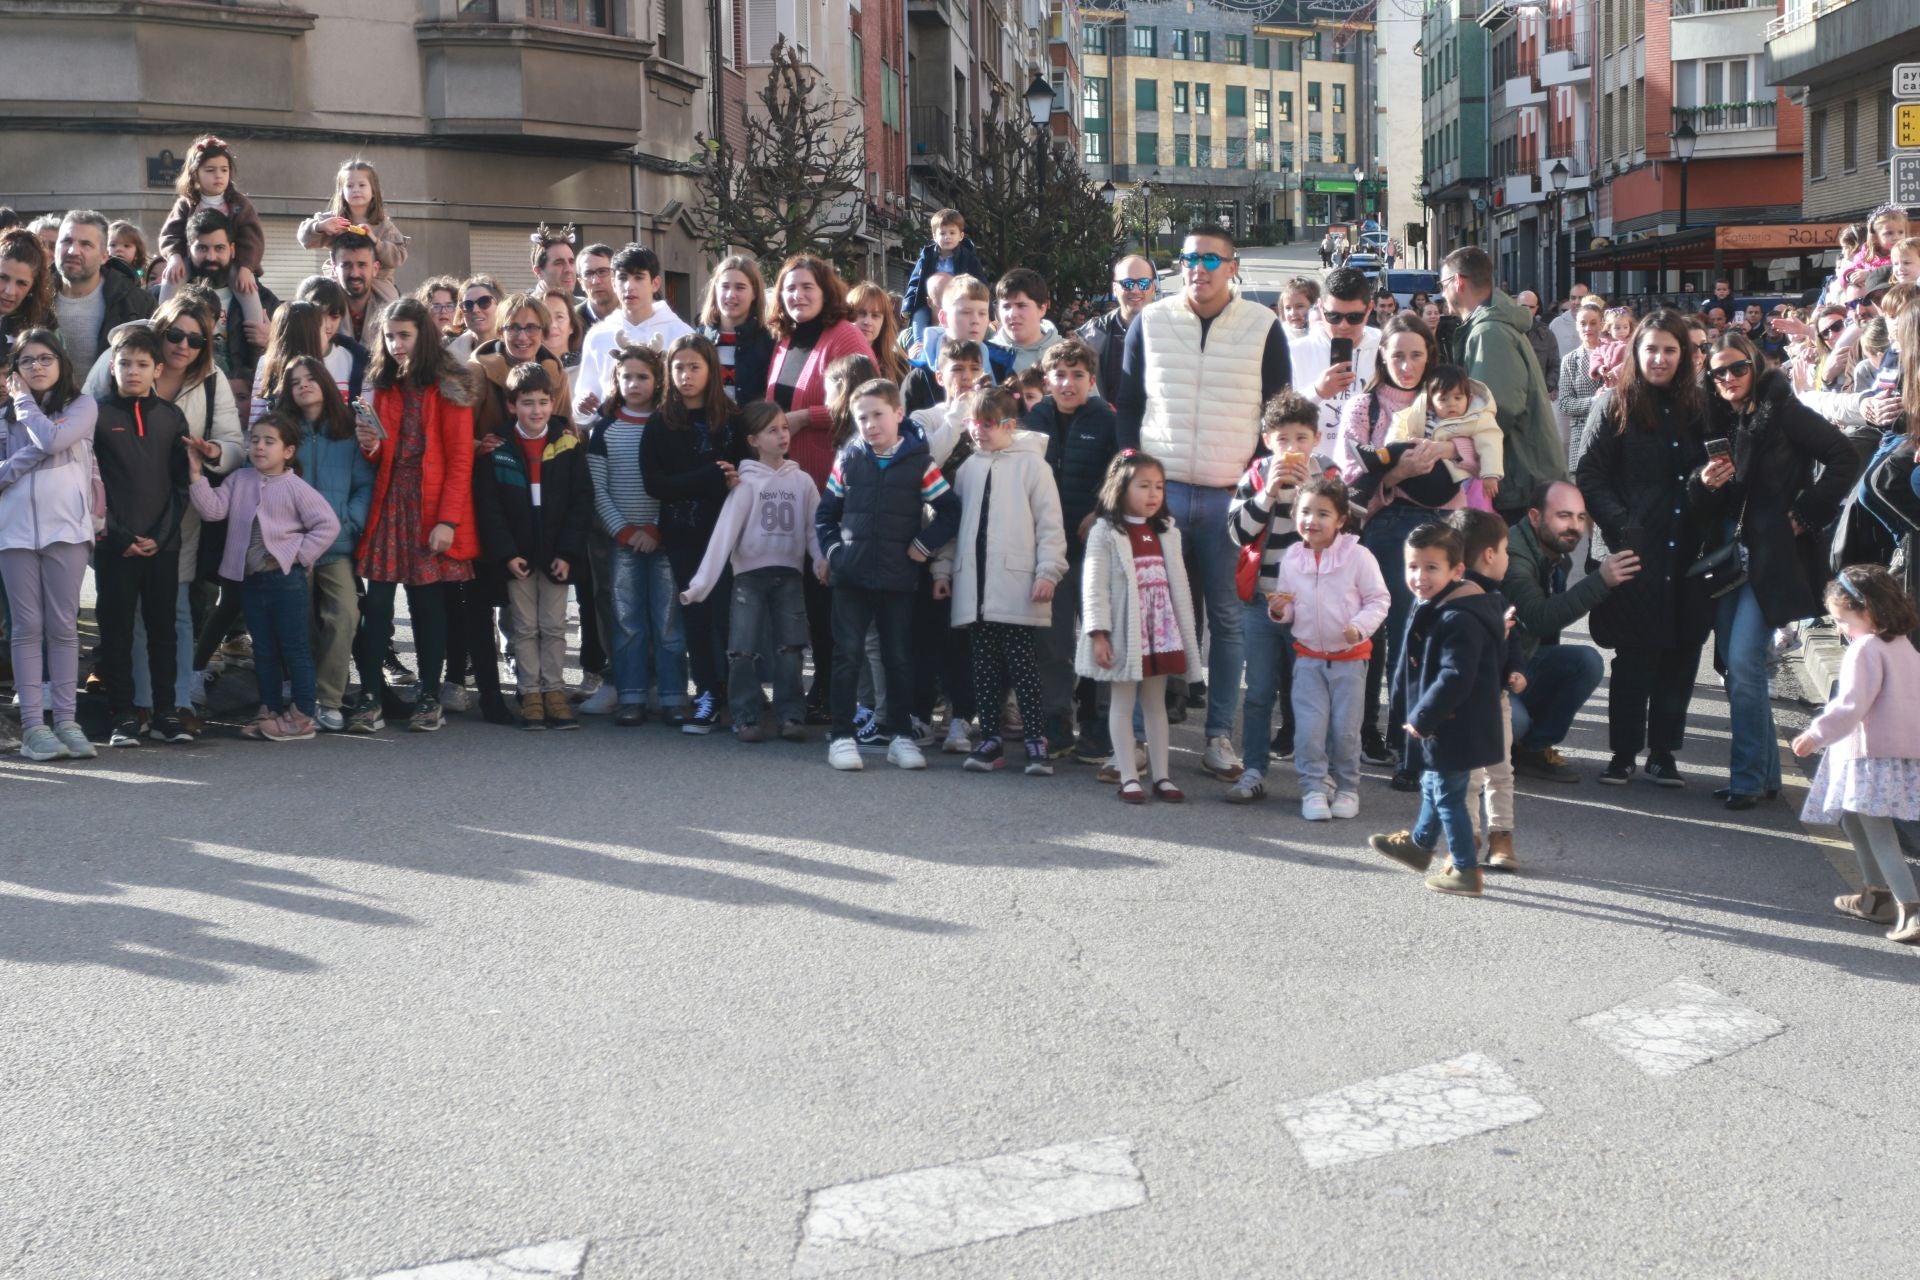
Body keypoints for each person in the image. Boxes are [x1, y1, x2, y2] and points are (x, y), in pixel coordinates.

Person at [1116, 225, 1293, 782]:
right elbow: (1127, 404)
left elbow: (1276, 412)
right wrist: (1129, 480)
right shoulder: (1151, 321)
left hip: (1228, 497)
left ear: (1232, 266)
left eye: (1211, 259)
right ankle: (1142, 740)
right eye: (1190, 258)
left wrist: (1258, 484)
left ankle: (1219, 736)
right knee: (1151, 618)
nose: (1199, 268)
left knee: (1227, 617)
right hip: (1159, 495)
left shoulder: (1264, 326)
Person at [1698, 332, 1860, 809]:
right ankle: (1766, 775)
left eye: (1737, 368)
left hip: (1769, 557)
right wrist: (1705, 481)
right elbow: (1713, 489)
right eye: (1718, 372)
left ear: (1755, 365)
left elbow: (1844, 457)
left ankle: (1748, 778)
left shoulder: (1783, 409)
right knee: (1733, 662)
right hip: (1730, 553)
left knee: (1745, 661)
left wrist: (1804, 513)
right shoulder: (1719, 417)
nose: (1728, 378)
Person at [1575, 309, 1716, 787]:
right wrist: (1623, 528)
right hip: (1633, 550)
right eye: (1650, 348)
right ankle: (1622, 754)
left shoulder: (1702, 406)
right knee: (1635, 657)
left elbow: (1716, 469)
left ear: (1685, 355)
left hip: (1688, 550)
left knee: (1680, 653)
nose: (1659, 358)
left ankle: (1663, 753)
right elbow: (1590, 475)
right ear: (1636, 351)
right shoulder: (1614, 403)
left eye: (1670, 350)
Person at [1338, 312, 1477, 779]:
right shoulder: (1365, 406)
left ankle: (1417, 736)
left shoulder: (1447, 398)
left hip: (1446, 524)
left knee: (1432, 635)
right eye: (1398, 354)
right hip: (1389, 522)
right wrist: (1397, 474)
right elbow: (1350, 475)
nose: (1407, 364)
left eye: (1417, 354)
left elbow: (1479, 449)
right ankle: (1376, 732)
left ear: (1430, 356)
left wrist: (1447, 451)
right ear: (1382, 354)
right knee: (1389, 632)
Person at [814, 377, 959, 771]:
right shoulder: (847, 459)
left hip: (898, 579)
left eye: (878, 414)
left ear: (898, 414)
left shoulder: (920, 463)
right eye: (862, 417)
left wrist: (924, 546)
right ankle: (842, 737)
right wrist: (834, 553)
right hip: (850, 578)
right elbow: (826, 515)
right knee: (847, 657)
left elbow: (950, 510)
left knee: (898, 658)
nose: (870, 424)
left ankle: (899, 736)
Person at [353, 297, 480, 734]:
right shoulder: (384, 384)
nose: (395, 344)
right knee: (378, 606)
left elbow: (462, 460)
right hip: (390, 503)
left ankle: (429, 696)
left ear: (422, 335)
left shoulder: (449, 385)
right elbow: (379, 456)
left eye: (403, 335)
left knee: (429, 606)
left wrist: (448, 521)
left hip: (429, 508)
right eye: (389, 336)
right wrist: (370, 444)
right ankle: (370, 697)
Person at [931, 384, 1067, 775]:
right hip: (975, 589)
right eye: (975, 422)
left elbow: (1049, 525)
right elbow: (955, 526)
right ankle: (989, 737)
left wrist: (1048, 572)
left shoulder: (1033, 467)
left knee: (1023, 666)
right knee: (984, 666)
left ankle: (1035, 738)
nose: (978, 430)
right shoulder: (969, 469)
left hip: (1017, 586)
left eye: (988, 424)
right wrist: (943, 569)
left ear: (1009, 425)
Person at [1367, 521, 1507, 898]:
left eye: (1431, 568)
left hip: (1453, 722)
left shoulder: (1459, 616)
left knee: (1447, 792)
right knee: (1432, 782)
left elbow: (1455, 676)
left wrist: (1423, 716)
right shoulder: (1433, 603)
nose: (1419, 576)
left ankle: (1465, 869)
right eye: (1412, 567)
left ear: (1456, 570)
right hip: (1439, 720)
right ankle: (1419, 845)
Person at [186, 411, 341, 741]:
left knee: (294, 647)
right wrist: (197, 474)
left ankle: (302, 714)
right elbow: (213, 510)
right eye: (254, 440)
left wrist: (297, 555)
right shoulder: (240, 479)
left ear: (288, 451)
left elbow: (327, 525)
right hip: (250, 580)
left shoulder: (295, 487)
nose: (259, 447)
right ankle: (269, 708)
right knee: (264, 650)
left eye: (269, 442)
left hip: (285, 580)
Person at [1792, 565, 1920, 946]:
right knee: (1852, 820)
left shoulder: (1865, 649)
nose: (1841, 629)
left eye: (1843, 620)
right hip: (1893, 756)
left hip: (1868, 758)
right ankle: (1874, 895)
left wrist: (1815, 735)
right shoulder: (1903, 646)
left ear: (1868, 611)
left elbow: (1851, 706)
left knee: (1878, 831)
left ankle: (1911, 909)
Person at [680, 400, 821, 743]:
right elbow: (723, 537)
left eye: (785, 428)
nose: (782, 435)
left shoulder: (802, 481)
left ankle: (791, 715)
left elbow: (815, 529)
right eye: (772, 430)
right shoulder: (745, 484)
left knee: (791, 648)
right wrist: (700, 585)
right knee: (741, 650)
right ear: (754, 440)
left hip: (790, 576)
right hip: (749, 578)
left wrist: (820, 561)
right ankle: (745, 718)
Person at [472, 361, 592, 731]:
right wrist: (507, 554)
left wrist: (568, 553)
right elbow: (489, 509)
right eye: (526, 403)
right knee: (523, 627)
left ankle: (555, 692)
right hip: (518, 557)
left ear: (553, 403)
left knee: (555, 626)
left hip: (557, 555)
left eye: (542, 402)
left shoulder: (568, 444)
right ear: (511, 405)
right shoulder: (499, 447)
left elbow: (581, 503)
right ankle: (531, 695)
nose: (535, 410)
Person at [1265, 475, 1390, 818]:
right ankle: (1313, 789)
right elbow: (1289, 607)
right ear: (1295, 515)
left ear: (1340, 520)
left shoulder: (1358, 556)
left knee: (1346, 731)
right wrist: (1279, 609)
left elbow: (1379, 600)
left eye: (1323, 513)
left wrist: (1359, 628)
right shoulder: (1291, 557)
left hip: (1350, 660)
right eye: (1305, 512)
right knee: (1308, 731)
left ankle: (1347, 788)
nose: (1312, 520)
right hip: (1307, 660)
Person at [1078, 450, 1199, 803]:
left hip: (1159, 630)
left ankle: (1162, 776)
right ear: (1121, 488)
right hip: (1125, 630)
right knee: (1122, 700)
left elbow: (1178, 585)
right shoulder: (1106, 532)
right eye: (1144, 486)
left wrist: (1180, 627)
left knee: (1155, 703)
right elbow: (1094, 585)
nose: (1153, 494)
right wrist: (1099, 633)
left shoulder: (1166, 532)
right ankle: (1129, 776)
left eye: (1159, 487)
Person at [0, 331, 98, 760]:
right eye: (26, 361)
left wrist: (24, 410)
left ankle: (67, 720)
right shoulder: (5, 415)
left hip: (68, 531)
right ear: (15, 371)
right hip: (13, 534)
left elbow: (54, 441)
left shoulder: (82, 406)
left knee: (62, 627)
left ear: (61, 363)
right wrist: (26, 453)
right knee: (25, 629)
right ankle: (34, 728)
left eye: (45, 358)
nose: (37, 366)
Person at [93, 325, 192, 748]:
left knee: (162, 631)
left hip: (162, 546)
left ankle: (166, 713)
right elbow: (90, 486)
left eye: (142, 364)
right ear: (112, 367)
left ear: (156, 370)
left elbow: (180, 486)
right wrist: (119, 537)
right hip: (115, 547)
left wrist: (159, 535)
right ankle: (123, 715)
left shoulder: (171, 417)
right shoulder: (95, 414)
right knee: (115, 631)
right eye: (125, 363)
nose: (133, 371)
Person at [1024, 337, 1119, 759]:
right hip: (1049, 548)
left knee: (1098, 631)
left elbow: (1122, 475)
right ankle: (1055, 718)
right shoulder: (1034, 420)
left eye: (1077, 376)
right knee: (1053, 639)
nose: (1067, 384)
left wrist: (1100, 511)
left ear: (1091, 380)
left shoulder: (1107, 419)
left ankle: (1098, 721)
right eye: (1059, 375)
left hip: (1094, 546)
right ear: (1047, 380)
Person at [647, 334, 743, 734]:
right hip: (683, 533)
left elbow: (742, 473)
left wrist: (729, 478)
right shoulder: (661, 422)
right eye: (679, 367)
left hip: (726, 533)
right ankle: (706, 691)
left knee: (729, 616)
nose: (686, 375)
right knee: (696, 613)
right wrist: (708, 477)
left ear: (712, 371)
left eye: (695, 367)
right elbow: (656, 483)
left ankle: (739, 695)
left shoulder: (732, 419)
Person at [272, 356, 372, 733]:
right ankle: (305, 693)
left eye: (311, 378)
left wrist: (350, 520)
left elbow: (365, 483)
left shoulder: (348, 430)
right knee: (299, 620)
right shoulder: (285, 432)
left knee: (344, 612)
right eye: (295, 381)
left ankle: (329, 700)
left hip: (335, 545)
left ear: (326, 382)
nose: (303, 385)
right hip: (293, 547)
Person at [1225, 390, 1317, 803]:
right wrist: (1268, 493)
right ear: (1267, 440)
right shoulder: (1257, 475)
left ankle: (1316, 777)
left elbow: (1339, 532)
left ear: (1315, 439)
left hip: (1310, 606)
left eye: (1301, 438)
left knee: (1309, 693)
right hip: (1262, 602)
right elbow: (1236, 532)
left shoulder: (1325, 476)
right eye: (1283, 439)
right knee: (1260, 691)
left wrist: (1306, 493)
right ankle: (1254, 769)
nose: (1292, 448)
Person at [586, 343, 683, 728]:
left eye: (642, 376)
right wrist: (625, 531)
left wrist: (657, 529)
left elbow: (674, 484)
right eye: (626, 376)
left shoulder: (669, 426)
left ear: (658, 380)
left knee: (668, 620)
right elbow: (598, 489)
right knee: (627, 622)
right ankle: (630, 696)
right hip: (622, 541)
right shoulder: (604, 430)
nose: (634, 383)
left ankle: (674, 695)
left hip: (662, 540)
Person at [1502, 480, 1624, 782]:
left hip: (1521, 661)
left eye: (1581, 517)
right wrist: (1601, 581)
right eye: (1564, 516)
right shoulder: (1513, 557)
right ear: (1535, 517)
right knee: (1514, 722)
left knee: (1585, 662)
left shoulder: (1557, 556)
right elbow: (1539, 619)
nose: (1574, 526)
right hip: (1487, 673)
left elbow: (1547, 633)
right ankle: (1488, 751)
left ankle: (1532, 749)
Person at [1438, 247, 1568, 523]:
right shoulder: (1488, 326)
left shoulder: (1489, 332)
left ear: (1458, 282)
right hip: (1522, 479)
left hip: (1519, 483)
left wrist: (1454, 448)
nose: (1441, 294)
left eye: (1442, 284)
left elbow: (1497, 411)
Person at [1448, 508, 1527, 870]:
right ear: (1490, 555)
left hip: (1497, 700)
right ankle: (1467, 838)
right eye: (1506, 550)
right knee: (1469, 777)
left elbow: (1514, 645)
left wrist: (1515, 670)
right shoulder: (1450, 602)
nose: (1508, 558)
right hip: (1465, 704)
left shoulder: (1499, 599)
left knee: (1500, 771)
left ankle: (1502, 836)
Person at [158, 209, 280, 405]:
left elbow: (290, 352)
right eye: (202, 248)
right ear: (189, 249)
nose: (211, 257)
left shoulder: (263, 299)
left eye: (219, 248)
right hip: (182, 397)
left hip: (237, 400)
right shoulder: (160, 297)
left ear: (232, 249)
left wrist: (270, 340)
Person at [574, 244, 693, 419]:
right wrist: (581, 406)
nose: (629, 286)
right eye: (622, 278)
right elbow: (586, 400)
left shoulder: (682, 335)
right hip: (614, 438)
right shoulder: (598, 335)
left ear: (655, 283)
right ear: (614, 283)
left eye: (638, 277)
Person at [1362, 362, 1502, 508]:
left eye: (1458, 398)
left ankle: (1378, 457)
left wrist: (1490, 474)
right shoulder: (1422, 414)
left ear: (1469, 398)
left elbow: (1491, 443)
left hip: (1447, 483)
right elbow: (1400, 423)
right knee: (1402, 448)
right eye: (1443, 399)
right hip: (1421, 478)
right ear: (1430, 402)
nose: (1451, 404)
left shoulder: (1475, 419)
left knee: (1405, 448)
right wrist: (1399, 451)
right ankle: (1374, 468)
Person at [156, 134, 263, 297]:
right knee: (171, 279)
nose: (218, 175)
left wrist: (246, 267)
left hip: (232, 263)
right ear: (195, 173)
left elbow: (252, 239)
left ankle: (254, 321)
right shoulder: (187, 203)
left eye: (224, 170)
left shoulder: (240, 204)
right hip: (194, 262)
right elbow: (171, 234)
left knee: (248, 288)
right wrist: (174, 257)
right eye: (210, 170)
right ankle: (162, 318)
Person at [1293, 267, 1383, 454]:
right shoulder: (1295, 352)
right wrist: (1317, 392)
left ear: (1369, 310)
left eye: (1354, 317)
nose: (1343, 326)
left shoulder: (1386, 348)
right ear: (1320, 308)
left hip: (1372, 473)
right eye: (1333, 316)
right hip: (1314, 473)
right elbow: (1275, 420)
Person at [54, 210, 154, 376]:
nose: (73, 251)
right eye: (66, 241)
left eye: (86, 244)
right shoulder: (35, 297)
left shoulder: (136, 303)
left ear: (104, 256)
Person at [297, 159, 409, 304]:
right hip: (340, 282)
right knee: (319, 304)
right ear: (341, 192)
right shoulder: (334, 220)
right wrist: (319, 227)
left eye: (362, 185)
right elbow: (304, 238)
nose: (356, 189)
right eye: (349, 186)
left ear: (373, 191)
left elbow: (398, 257)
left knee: (391, 308)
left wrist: (376, 242)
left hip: (378, 284)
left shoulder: (384, 226)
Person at [1078, 255, 1156, 404]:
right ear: (1114, 288)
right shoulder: (1091, 337)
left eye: (1144, 283)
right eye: (1127, 283)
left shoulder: (1174, 332)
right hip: (1109, 424)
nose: (1135, 290)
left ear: (1153, 287)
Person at [696, 254, 774, 403]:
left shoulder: (769, 341)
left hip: (752, 424)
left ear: (754, 293)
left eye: (740, 287)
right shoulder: (699, 338)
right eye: (725, 286)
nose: (731, 295)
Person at [903, 209, 987, 346]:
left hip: (959, 302)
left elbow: (980, 283)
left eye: (952, 233)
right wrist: (907, 306)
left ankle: (973, 347)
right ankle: (919, 345)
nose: (947, 237)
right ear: (934, 237)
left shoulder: (968, 257)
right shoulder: (927, 257)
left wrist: (989, 312)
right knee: (919, 317)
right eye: (942, 233)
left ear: (961, 236)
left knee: (978, 327)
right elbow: (915, 282)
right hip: (930, 301)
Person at [1554, 298, 1607, 459]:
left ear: (1602, 324)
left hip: (1611, 433)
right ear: (1577, 326)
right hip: (1582, 436)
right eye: (1583, 323)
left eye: (1593, 323)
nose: (1587, 328)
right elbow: (1564, 403)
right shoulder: (1570, 360)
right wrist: (1594, 401)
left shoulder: (1614, 354)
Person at [0, 228, 59, 365]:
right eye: (3, 277)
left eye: (21, 283)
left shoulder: (44, 323)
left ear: (33, 286)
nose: (10, 291)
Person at [988, 268, 1062, 374]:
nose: (1012, 314)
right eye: (1006, 306)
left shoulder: (1068, 356)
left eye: (1021, 305)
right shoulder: (985, 356)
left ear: (1042, 308)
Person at [848, 281, 909, 384]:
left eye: (875, 315)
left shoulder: (898, 365)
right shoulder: (834, 359)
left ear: (883, 322)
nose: (867, 322)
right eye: (861, 313)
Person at [446, 273, 503, 364]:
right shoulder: (449, 359)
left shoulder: (518, 349)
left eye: (484, 302)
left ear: (500, 305)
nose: (475, 310)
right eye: (468, 305)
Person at [1516, 290, 1560, 399]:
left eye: (1531, 307)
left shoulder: (1546, 335)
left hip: (1537, 398)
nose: (1527, 310)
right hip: (1512, 396)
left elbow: (1555, 365)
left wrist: (1547, 388)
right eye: (1523, 306)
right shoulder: (1506, 332)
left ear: (1536, 309)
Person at [529, 224, 577, 297]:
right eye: (559, 263)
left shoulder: (584, 306)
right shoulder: (526, 307)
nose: (569, 269)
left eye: (571, 262)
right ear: (538, 271)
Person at [1547, 281, 1592, 359]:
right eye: (1573, 298)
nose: (1576, 302)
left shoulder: (1599, 323)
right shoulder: (1556, 324)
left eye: (1581, 298)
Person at [1277, 276, 1319, 344]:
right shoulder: (1279, 337)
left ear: (1314, 306)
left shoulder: (1321, 334)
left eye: (1300, 306)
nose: (1293, 313)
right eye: (1288, 308)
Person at [108, 221, 152, 285]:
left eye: (126, 246)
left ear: (137, 253)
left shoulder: (138, 272)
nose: (119, 249)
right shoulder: (102, 271)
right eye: (113, 245)